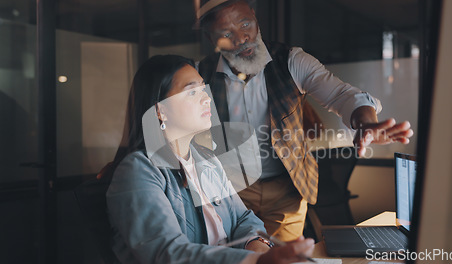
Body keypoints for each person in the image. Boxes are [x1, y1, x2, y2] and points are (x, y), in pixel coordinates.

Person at [195, 0, 414, 242]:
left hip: (286, 190)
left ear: (256, 18)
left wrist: (365, 122)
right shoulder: (199, 75)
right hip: (230, 191)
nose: (242, 37)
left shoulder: (291, 61)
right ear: (210, 37)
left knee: (285, 257)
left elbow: (342, 95)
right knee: (234, 256)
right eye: (227, 33)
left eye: (246, 24)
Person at [104, 54, 315, 264]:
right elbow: (167, 253)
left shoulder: (206, 160)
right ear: (161, 111)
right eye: (192, 92)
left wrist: (258, 247)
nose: (207, 98)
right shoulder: (139, 170)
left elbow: (243, 218)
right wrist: (255, 262)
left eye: (203, 89)